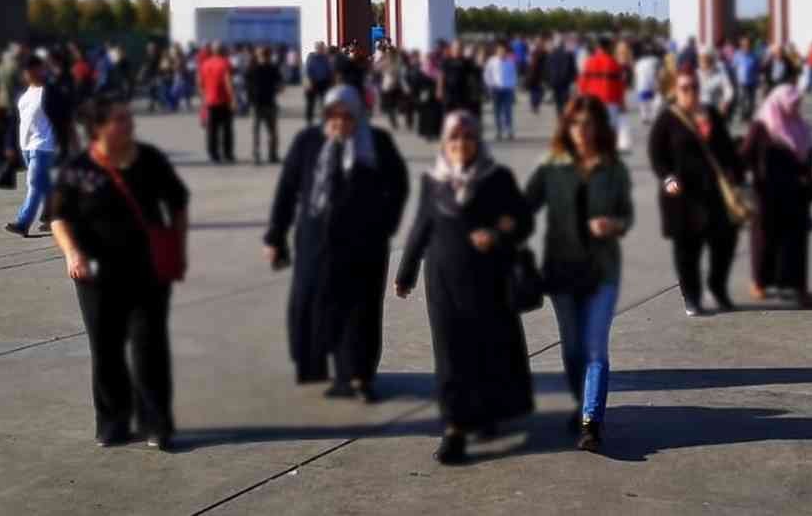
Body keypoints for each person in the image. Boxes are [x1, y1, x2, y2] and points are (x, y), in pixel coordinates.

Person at [49, 97, 189, 449]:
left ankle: (156, 423)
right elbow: (59, 218)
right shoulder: (78, 169)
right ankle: (112, 422)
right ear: (99, 128)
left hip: (148, 272)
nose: (130, 125)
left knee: (149, 348)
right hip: (95, 275)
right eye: (121, 120)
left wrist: (177, 247)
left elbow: (177, 203)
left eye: (129, 119)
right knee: (106, 349)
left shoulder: (150, 160)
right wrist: (72, 253)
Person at [396, 112, 534, 465]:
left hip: (487, 281)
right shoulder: (433, 181)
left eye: (467, 139)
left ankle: (485, 412)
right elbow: (420, 227)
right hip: (442, 283)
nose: (461, 146)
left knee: (484, 350)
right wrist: (406, 271)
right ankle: (454, 430)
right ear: (445, 143)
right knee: (449, 355)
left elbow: (523, 220)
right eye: (454, 140)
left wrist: (498, 234)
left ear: (477, 141)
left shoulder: (497, 179)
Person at [265, 85, 409, 401]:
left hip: (364, 245)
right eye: (333, 114)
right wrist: (276, 235)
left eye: (347, 115)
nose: (339, 121)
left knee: (359, 311)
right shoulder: (308, 142)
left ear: (358, 116)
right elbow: (287, 190)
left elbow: (399, 186)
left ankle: (358, 376)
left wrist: (385, 224)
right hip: (316, 242)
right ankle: (322, 367)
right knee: (314, 304)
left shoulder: (376, 144)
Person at [524, 96, 633, 453]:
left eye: (588, 124)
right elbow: (524, 206)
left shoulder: (613, 168)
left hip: (602, 273)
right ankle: (580, 404)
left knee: (594, 348)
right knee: (573, 350)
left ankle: (591, 422)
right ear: (566, 128)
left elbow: (626, 215)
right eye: (575, 124)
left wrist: (613, 224)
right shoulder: (553, 167)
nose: (582, 131)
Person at [648, 69, 744, 316]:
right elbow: (656, 154)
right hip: (683, 197)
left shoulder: (710, 114)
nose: (690, 92)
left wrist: (736, 176)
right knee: (687, 250)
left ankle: (717, 287)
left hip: (714, 194)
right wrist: (667, 178)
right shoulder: (667, 119)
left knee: (724, 242)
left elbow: (726, 149)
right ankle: (691, 296)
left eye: (694, 87)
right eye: (684, 88)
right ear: (675, 91)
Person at [741, 84, 812, 307]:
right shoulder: (761, 126)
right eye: (792, 103)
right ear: (779, 102)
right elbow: (745, 155)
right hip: (766, 195)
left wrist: (808, 174)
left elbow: (809, 153)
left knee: (796, 244)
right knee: (764, 240)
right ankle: (759, 282)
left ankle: (799, 288)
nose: (796, 107)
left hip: (796, 195)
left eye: (798, 103)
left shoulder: (800, 126)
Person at [5, 57, 59, 237]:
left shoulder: (49, 92)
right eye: (26, 70)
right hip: (26, 146)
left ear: (40, 70)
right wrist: (11, 145)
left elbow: (63, 117)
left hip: (43, 145)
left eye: (32, 69)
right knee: (44, 185)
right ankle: (54, 217)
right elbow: (18, 122)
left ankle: (23, 222)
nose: (28, 73)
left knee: (34, 183)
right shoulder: (25, 94)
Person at [578, 38, 629, 152]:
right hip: (611, 100)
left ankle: (593, 151)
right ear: (609, 47)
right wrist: (622, 103)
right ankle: (610, 151)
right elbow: (620, 86)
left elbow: (582, 82)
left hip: (592, 100)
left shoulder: (589, 61)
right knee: (610, 128)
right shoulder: (614, 63)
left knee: (594, 127)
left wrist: (581, 99)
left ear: (598, 47)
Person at [246, 46, 284, 164]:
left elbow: (281, 85)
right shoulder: (258, 68)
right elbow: (281, 86)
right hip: (261, 103)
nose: (263, 56)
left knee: (262, 132)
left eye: (264, 54)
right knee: (266, 131)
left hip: (263, 103)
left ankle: (264, 155)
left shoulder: (253, 68)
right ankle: (267, 155)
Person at [199, 44, 237, 164]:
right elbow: (228, 82)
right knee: (226, 129)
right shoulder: (225, 63)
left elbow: (200, 83)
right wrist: (233, 99)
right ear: (222, 51)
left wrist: (204, 98)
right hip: (223, 100)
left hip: (209, 101)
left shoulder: (204, 64)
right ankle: (227, 153)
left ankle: (213, 154)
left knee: (211, 130)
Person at [484, 42, 518, 140]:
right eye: (499, 51)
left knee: (508, 111)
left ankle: (509, 131)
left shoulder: (510, 62)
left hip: (507, 89)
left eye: (503, 51)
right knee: (496, 111)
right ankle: (498, 131)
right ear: (496, 51)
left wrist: (512, 86)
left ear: (506, 52)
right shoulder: (491, 61)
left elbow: (514, 75)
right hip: (496, 89)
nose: (501, 53)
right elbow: (487, 74)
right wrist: (490, 85)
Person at [547, 36, 579, 116]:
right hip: (565, 81)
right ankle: (563, 116)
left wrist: (548, 80)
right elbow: (573, 69)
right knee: (565, 101)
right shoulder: (569, 54)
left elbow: (548, 68)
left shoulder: (552, 54)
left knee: (558, 102)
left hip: (555, 81)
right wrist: (574, 80)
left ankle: (559, 116)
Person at [732, 36, 760, 123]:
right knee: (742, 100)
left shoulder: (754, 55)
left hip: (752, 81)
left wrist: (757, 79)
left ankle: (749, 116)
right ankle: (742, 115)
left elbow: (758, 68)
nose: (746, 46)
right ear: (741, 45)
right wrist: (734, 79)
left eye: (747, 44)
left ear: (750, 45)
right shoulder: (737, 55)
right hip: (741, 81)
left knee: (752, 101)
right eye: (744, 44)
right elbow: (733, 67)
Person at [697, 51, 734, 117]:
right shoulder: (697, 73)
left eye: (705, 62)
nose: (702, 65)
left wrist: (725, 102)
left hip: (715, 108)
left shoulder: (719, 74)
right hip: (700, 109)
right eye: (700, 62)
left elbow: (728, 89)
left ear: (711, 63)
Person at [304, 42, 333, 125]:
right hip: (312, 82)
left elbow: (329, 70)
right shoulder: (311, 58)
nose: (322, 49)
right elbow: (308, 71)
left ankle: (324, 120)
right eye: (321, 48)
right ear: (316, 48)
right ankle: (309, 121)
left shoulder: (326, 58)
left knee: (324, 103)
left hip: (324, 83)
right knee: (310, 103)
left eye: (323, 48)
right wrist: (310, 82)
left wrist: (330, 81)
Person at [633, 47, 661, 124]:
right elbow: (657, 71)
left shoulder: (638, 63)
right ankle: (653, 116)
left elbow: (636, 74)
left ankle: (644, 117)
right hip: (651, 84)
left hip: (641, 85)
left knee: (643, 102)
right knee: (653, 101)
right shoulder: (654, 60)